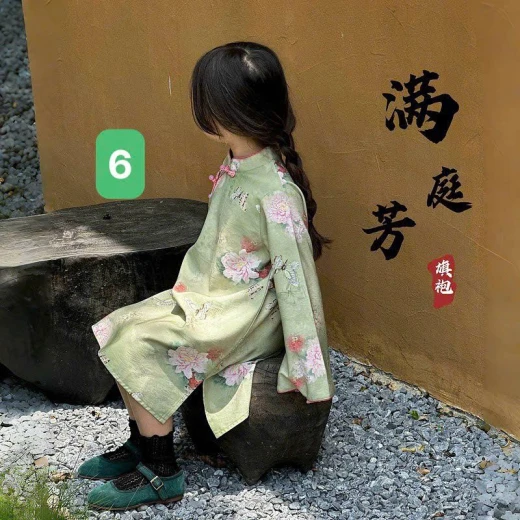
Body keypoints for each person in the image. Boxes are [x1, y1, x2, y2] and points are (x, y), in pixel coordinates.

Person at [81, 41, 336, 511]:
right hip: (213, 297)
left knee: (139, 343)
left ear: (230, 113)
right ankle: (142, 442)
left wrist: (305, 365)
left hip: (241, 314)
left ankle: (161, 470)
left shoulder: (277, 194)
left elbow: (297, 283)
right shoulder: (240, 167)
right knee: (120, 326)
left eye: (207, 103)